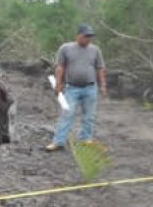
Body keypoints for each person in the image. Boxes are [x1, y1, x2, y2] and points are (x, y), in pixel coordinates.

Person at [45, 23, 107, 151]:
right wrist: (58, 84)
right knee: (67, 114)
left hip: (90, 88)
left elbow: (100, 68)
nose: (88, 39)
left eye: (90, 36)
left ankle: (86, 139)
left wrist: (102, 85)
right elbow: (60, 67)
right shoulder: (66, 48)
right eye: (86, 36)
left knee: (89, 116)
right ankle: (58, 142)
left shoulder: (95, 50)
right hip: (71, 88)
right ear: (78, 35)